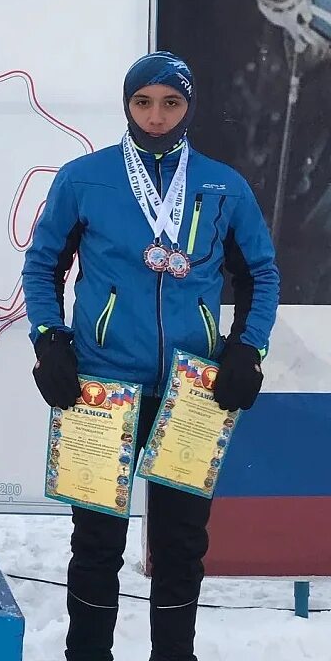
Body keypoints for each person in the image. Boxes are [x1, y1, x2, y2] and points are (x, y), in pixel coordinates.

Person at [22, 51, 279, 661]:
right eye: (144, 102)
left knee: (183, 540)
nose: (157, 116)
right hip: (101, 384)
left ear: (189, 106)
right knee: (97, 541)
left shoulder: (223, 186)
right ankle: (86, 653)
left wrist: (248, 348)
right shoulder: (86, 178)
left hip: (193, 389)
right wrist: (49, 337)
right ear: (127, 105)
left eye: (171, 102)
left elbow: (260, 274)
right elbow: (43, 265)